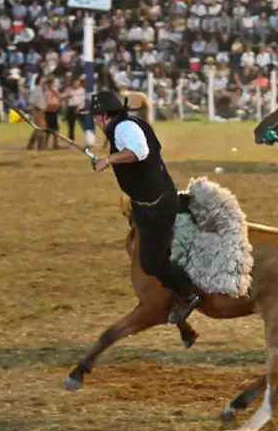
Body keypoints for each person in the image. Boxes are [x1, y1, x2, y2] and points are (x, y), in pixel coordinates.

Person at [85, 90, 202, 324]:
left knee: (151, 262)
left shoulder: (123, 128)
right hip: (149, 202)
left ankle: (188, 294)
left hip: (156, 206)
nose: (94, 122)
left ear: (103, 116)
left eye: (95, 116)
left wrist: (107, 160)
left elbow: (139, 152)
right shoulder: (126, 125)